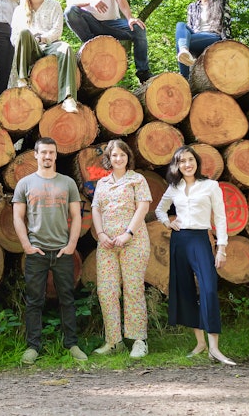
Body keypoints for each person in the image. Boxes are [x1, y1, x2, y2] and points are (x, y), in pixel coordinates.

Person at [155, 145, 235, 366]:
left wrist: (221, 248)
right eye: (182, 161)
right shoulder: (174, 187)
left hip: (200, 240)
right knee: (186, 291)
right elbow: (160, 209)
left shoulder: (210, 186)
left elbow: (220, 217)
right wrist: (168, 222)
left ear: (196, 162)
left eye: (190, 160)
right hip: (179, 241)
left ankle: (214, 349)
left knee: (208, 289)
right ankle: (200, 344)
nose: (187, 164)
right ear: (177, 165)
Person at [13, 137, 88, 365]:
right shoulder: (25, 183)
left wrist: (72, 244)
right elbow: (17, 217)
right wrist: (27, 246)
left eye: (51, 152)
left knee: (67, 299)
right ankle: (33, 346)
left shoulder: (67, 183)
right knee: (34, 301)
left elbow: (76, 216)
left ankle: (72, 344)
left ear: (56, 155)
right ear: (35, 155)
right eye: (43, 152)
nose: (47, 156)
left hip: (62, 251)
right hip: (37, 252)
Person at [91, 140, 151, 358]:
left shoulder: (137, 179)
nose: (118, 159)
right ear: (109, 158)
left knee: (133, 288)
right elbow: (96, 209)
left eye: (122, 155)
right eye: (114, 155)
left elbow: (143, 207)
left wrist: (128, 233)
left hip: (133, 242)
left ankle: (139, 340)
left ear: (128, 157)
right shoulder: (102, 183)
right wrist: (101, 234)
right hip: (107, 244)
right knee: (106, 290)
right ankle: (114, 341)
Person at [64, 0, 152, 84]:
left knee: (138, 28)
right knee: (70, 12)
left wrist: (130, 18)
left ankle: (143, 73)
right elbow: (71, 1)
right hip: (90, 24)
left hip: (111, 24)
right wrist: (91, 1)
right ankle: (92, 45)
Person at [11, 0, 79, 114]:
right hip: (30, 49)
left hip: (49, 45)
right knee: (24, 33)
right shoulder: (19, 10)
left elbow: (57, 31)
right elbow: (14, 37)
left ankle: (68, 98)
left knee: (66, 47)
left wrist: (42, 38)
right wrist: (30, 40)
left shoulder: (54, 5)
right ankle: (22, 80)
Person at [175, 0, 232, 77]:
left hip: (214, 36)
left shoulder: (221, 1)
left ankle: (184, 77)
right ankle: (184, 50)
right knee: (180, 26)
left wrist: (227, 44)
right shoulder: (192, 7)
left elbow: (226, 24)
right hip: (197, 35)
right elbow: (189, 27)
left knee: (180, 42)